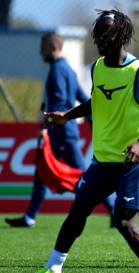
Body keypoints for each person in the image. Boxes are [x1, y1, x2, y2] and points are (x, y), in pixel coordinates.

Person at [37, 9, 139, 273]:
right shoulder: (97, 68)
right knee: (78, 210)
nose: (99, 39)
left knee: (123, 222)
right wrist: (66, 116)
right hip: (104, 158)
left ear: (120, 36)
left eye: (105, 34)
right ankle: (53, 267)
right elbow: (96, 101)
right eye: (97, 34)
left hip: (135, 159)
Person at [4, 32, 115, 229]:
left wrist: (44, 128)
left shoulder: (57, 71)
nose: (40, 52)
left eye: (43, 48)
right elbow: (82, 97)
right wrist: (92, 122)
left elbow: (58, 103)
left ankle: (114, 211)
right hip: (64, 131)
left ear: (54, 47)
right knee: (42, 169)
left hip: (61, 132)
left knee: (85, 176)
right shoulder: (68, 70)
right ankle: (30, 216)